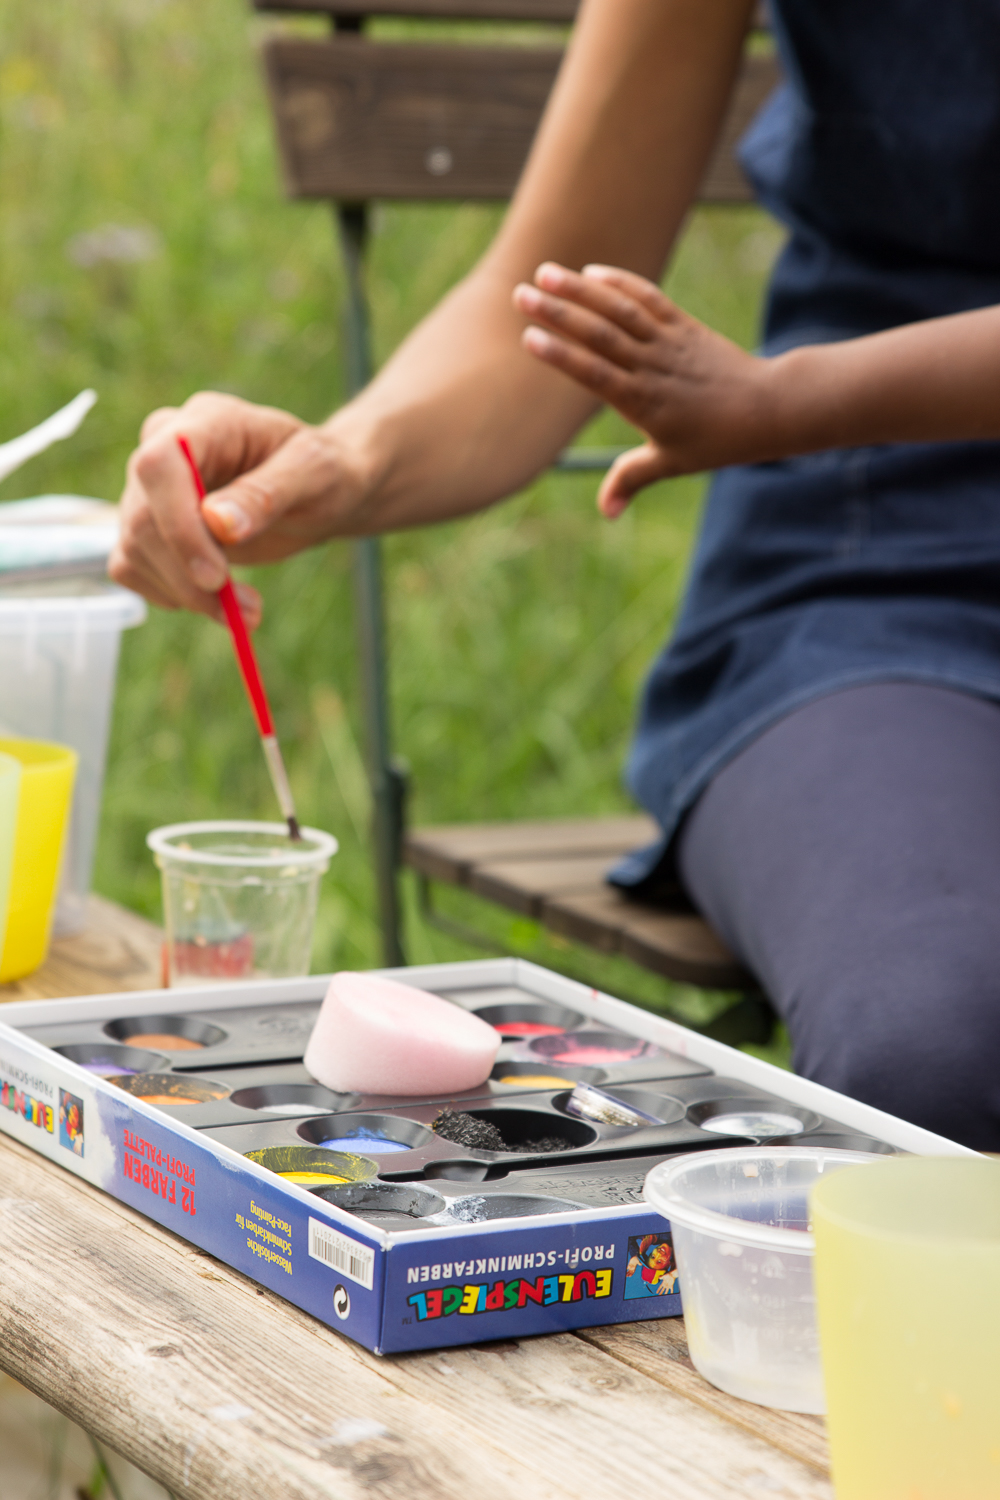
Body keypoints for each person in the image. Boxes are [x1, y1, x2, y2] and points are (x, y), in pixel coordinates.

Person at [111, 0, 1000, 1150]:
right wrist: (344, 461)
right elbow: (544, 314)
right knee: (938, 1051)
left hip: (799, 420)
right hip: (879, 589)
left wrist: (788, 399)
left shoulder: (785, 399)